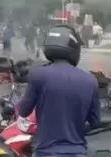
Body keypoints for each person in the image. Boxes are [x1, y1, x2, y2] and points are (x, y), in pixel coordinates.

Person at [19, 25, 101, 157]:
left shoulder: (39, 74)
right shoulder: (90, 80)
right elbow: (95, 121)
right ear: (74, 49)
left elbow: (23, 111)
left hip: (46, 151)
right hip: (77, 151)